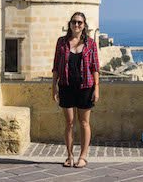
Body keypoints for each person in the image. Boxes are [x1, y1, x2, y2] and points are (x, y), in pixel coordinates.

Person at [52, 11, 100, 168]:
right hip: (66, 86)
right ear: (70, 24)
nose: (77, 25)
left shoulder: (91, 43)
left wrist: (96, 88)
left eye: (80, 22)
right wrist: (54, 87)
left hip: (86, 86)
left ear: (84, 25)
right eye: (74, 22)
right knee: (69, 123)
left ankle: (83, 156)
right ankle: (69, 155)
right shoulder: (61, 42)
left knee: (84, 122)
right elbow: (56, 66)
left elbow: (95, 67)